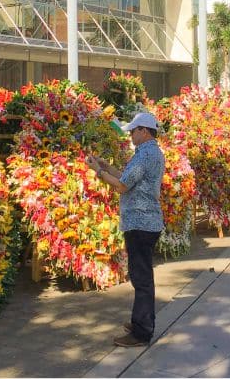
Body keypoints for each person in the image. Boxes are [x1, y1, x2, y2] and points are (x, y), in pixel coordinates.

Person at [87, 112, 164, 348]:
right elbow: (128, 179)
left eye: (133, 130)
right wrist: (106, 166)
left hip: (141, 223)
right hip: (144, 222)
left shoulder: (146, 154)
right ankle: (142, 321)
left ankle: (142, 332)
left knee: (141, 279)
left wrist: (98, 172)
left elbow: (121, 187)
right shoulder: (148, 153)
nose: (130, 134)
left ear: (144, 131)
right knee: (142, 277)